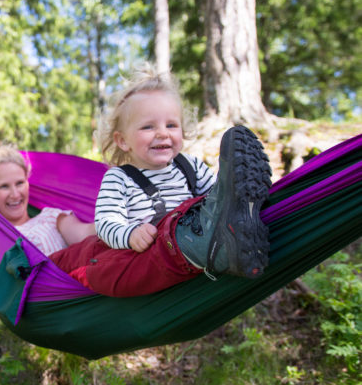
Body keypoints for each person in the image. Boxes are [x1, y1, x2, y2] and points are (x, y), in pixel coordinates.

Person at [49, 65, 272, 297]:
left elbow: (219, 201)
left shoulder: (190, 166)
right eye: (148, 126)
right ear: (123, 141)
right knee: (111, 271)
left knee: (216, 202)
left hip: (195, 241)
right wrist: (130, 234)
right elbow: (106, 223)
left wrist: (228, 197)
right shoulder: (119, 178)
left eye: (171, 125)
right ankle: (204, 245)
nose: (163, 133)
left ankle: (244, 217)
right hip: (149, 254)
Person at [0, 145, 96, 256]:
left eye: (19, 183)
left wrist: (110, 220)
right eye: (4, 186)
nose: (14, 194)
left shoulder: (51, 218)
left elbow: (84, 234)